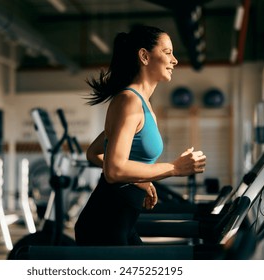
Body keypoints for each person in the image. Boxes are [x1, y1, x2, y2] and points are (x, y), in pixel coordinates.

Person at [74, 25, 207, 246]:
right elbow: (114, 170)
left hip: (121, 223)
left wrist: (139, 180)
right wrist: (174, 168)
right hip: (104, 225)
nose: (174, 60)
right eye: (167, 52)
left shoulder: (141, 103)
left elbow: (94, 153)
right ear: (144, 56)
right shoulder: (129, 101)